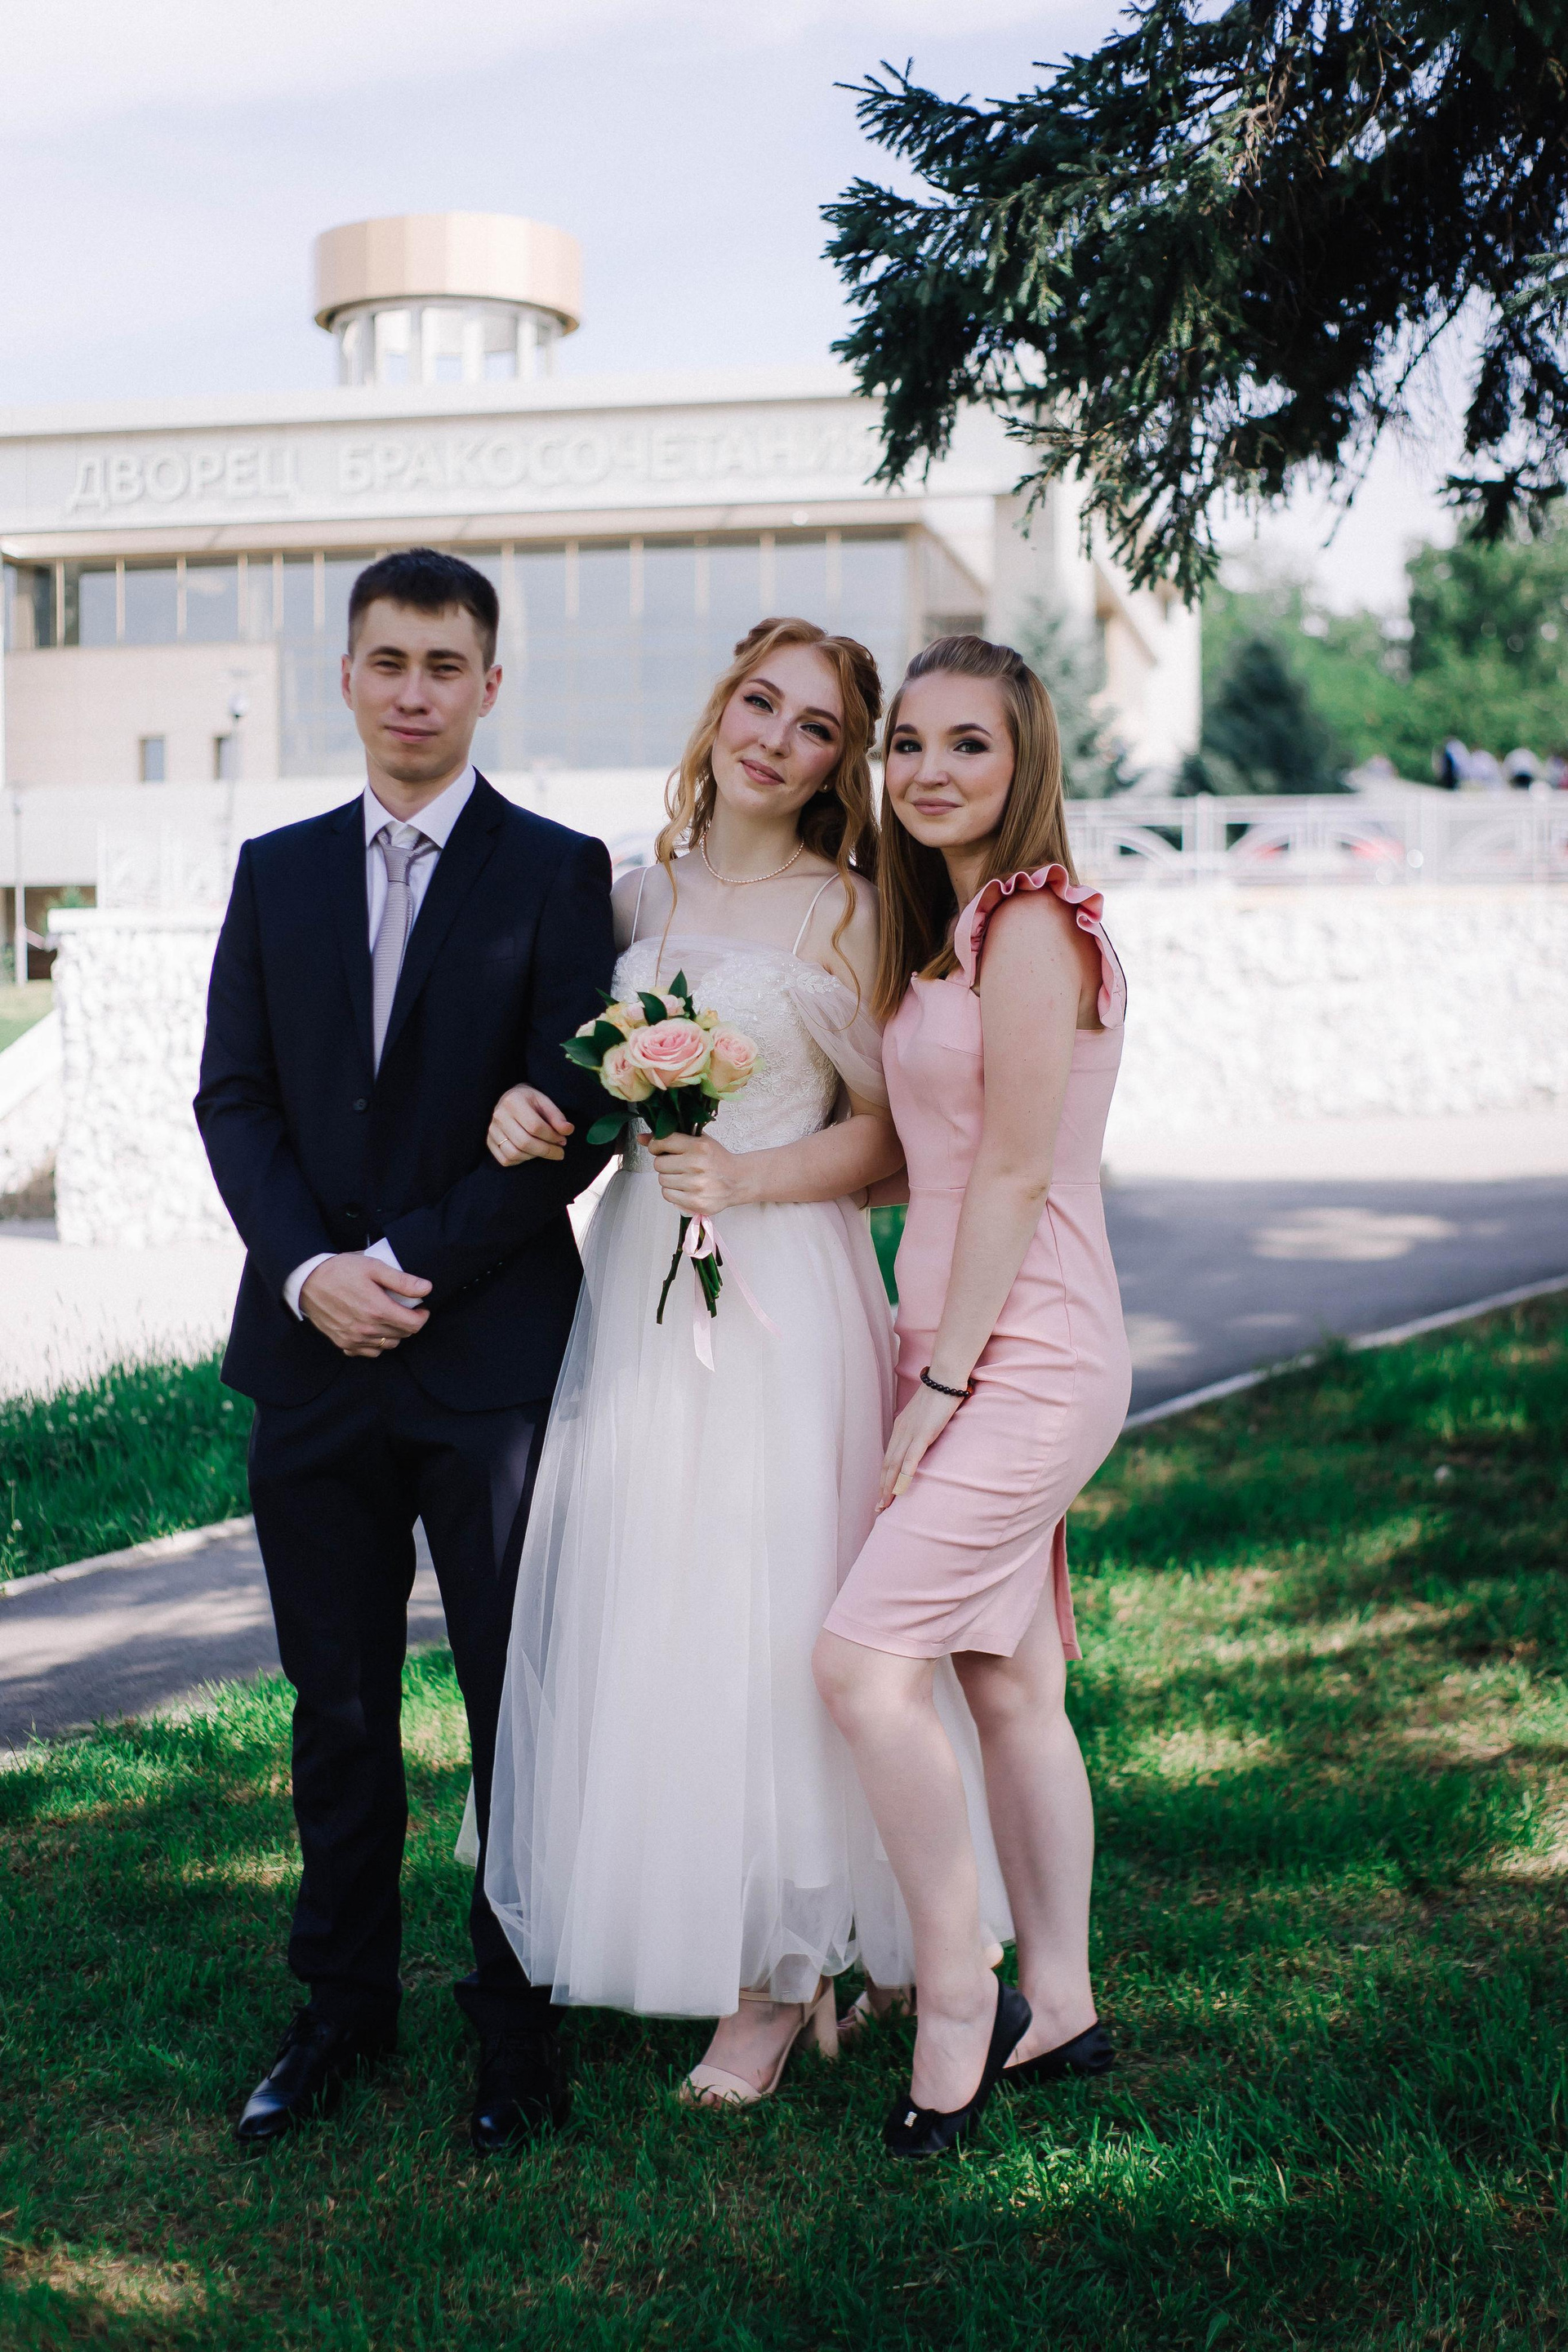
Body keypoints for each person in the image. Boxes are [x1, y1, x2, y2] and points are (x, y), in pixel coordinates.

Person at [480, 618, 995, 2106]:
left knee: (770, 1604)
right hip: (641, 1278)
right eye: (760, 704)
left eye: (817, 726)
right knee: (655, 1596)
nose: (776, 738)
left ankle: (784, 1970)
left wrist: (747, 1179)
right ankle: (695, 1914)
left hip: (781, 1284)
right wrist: (528, 1113)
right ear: (720, 712)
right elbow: (577, 1090)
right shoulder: (629, 893)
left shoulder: (854, 910)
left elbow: (894, 1135)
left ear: (842, 764)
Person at [194, 547, 616, 2154]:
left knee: (515, 1703)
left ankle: (517, 2023)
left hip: (486, 1363)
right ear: (348, 677)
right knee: (339, 1708)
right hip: (310, 1359)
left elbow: (568, 1122)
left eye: (447, 665)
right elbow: (234, 1098)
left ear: (490, 684)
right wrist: (311, 1271)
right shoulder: (274, 873)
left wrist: (403, 1266)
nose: (416, 691)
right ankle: (339, 2007)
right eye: (390, 661)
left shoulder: (557, 873)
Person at [813, 634, 1132, 2159]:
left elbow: (1011, 1169)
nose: (930, 772)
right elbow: (926, 1157)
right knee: (1006, 1684)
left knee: (863, 1666)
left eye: (969, 745)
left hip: (1028, 1354)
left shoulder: (1032, 923)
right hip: (960, 1338)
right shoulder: (950, 933)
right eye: (909, 745)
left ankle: (962, 1998)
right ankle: (1063, 2004)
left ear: (1025, 763)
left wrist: (943, 1385)